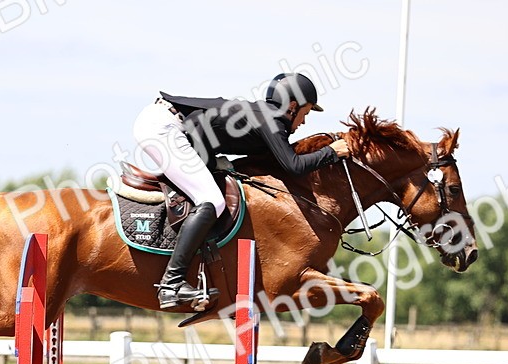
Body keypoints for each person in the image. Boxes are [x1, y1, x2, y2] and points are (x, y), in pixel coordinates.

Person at [132, 72, 352, 310]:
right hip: (164, 127)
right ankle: (171, 284)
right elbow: (293, 166)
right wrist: (333, 152)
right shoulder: (272, 120)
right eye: (305, 113)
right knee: (212, 201)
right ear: (292, 106)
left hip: (170, 125)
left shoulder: (264, 117)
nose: (304, 122)